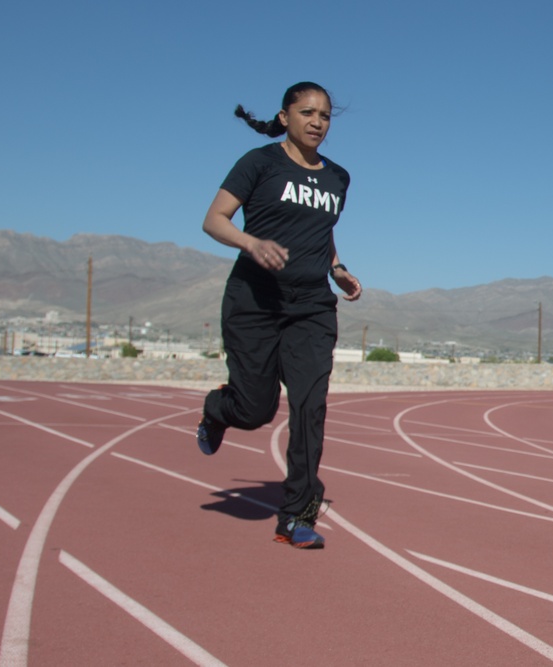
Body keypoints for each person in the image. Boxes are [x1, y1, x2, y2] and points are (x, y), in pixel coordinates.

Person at [196, 82, 362, 550]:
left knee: (310, 410)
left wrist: (337, 270)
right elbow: (215, 219)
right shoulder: (259, 163)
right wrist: (252, 243)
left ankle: (296, 515)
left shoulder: (338, 178)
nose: (317, 122)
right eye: (307, 112)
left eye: (325, 116)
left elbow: (319, 232)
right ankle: (217, 409)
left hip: (311, 307)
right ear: (285, 116)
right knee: (254, 410)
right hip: (255, 301)